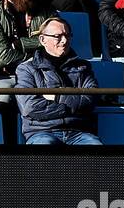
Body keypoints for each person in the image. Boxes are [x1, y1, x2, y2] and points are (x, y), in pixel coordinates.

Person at [15, 15, 101, 146]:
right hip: (42, 132)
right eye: (58, 36)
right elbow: (30, 107)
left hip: (78, 131)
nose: (64, 40)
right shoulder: (26, 69)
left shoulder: (83, 66)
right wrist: (71, 103)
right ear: (43, 39)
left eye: (67, 35)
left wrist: (56, 96)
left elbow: (91, 99)